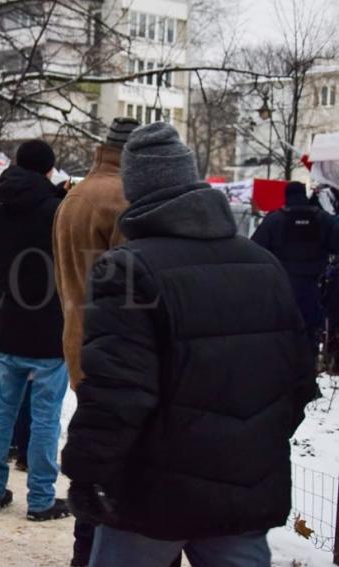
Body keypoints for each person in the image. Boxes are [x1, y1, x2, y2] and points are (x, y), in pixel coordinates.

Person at [61, 123, 318, 567]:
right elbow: (297, 380)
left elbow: (117, 394)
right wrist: (249, 446)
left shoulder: (127, 269)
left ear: (136, 192)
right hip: (244, 487)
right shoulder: (265, 265)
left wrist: (87, 473)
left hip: (153, 496)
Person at [52, 116, 139, 566]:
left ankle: (86, 550)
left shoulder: (75, 195)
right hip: (114, 351)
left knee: (94, 452)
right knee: (116, 467)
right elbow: (134, 289)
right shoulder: (123, 199)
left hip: (77, 342)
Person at [0, 139, 70, 522]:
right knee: (47, 415)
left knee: (3, 410)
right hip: (49, 322)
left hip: (10, 316)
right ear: (50, 169)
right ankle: (41, 498)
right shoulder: (55, 210)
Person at [252, 181, 339, 355]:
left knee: (283, 333)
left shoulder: (275, 219)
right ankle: (308, 370)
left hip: (282, 286)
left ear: (286, 196)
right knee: (309, 334)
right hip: (314, 287)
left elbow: (256, 249)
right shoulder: (323, 219)